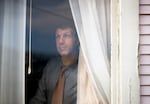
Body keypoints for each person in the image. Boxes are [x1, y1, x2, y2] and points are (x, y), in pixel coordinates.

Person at [29, 24, 79, 104]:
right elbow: (39, 99)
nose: (61, 41)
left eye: (66, 35)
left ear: (76, 40)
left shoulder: (84, 71)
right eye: (58, 36)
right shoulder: (51, 66)